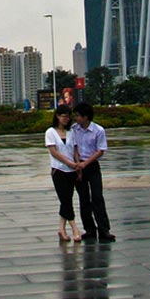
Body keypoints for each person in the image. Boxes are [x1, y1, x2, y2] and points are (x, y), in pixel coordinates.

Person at [72, 101, 115, 242]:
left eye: (78, 116)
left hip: (92, 166)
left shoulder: (98, 130)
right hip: (79, 167)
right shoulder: (74, 129)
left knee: (97, 197)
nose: (76, 118)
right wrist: (78, 164)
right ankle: (89, 229)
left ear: (86, 117)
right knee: (84, 199)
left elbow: (100, 150)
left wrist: (86, 163)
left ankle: (104, 230)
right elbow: (75, 147)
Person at [44, 105, 82, 243]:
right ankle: (75, 229)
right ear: (57, 116)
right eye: (63, 116)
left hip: (72, 170)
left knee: (66, 200)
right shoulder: (50, 132)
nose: (65, 119)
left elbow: (75, 150)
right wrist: (69, 163)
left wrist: (77, 165)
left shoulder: (71, 132)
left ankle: (61, 228)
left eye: (68, 116)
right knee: (65, 200)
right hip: (58, 170)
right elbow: (54, 152)